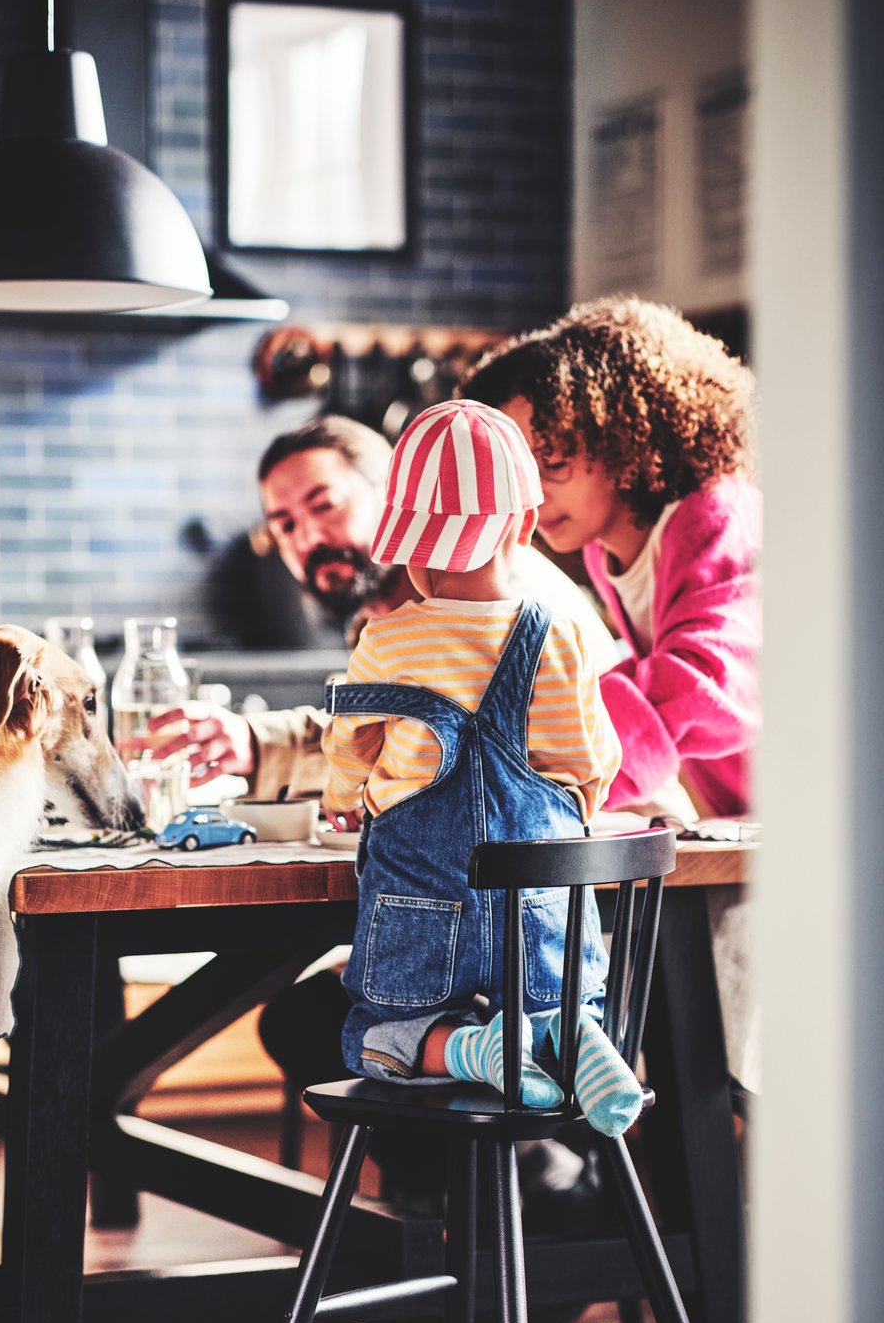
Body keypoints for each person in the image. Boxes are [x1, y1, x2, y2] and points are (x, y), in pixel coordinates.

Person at [322, 400, 640, 1137]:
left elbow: (350, 744)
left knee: (372, 1034)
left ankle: (472, 1048)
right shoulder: (558, 633)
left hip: (420, 909)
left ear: (409, 547)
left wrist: (345, 797)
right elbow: (591, 759)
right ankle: (569, 1036)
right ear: (524, 529)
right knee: (556, 995)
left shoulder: (386, 639)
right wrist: (575, 803)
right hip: (542, 908)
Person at [129, 414, 621, 801]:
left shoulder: (501, 598)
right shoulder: (387, 624)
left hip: (612, 886)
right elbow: (398, 739)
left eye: (324, 505)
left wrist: (345, 795)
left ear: (395, 499)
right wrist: (255, 742)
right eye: (285, 524)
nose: (310, 538)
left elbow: (477, 760)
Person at [460, 297, 760, 815]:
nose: (532, 495)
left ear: (623, 437)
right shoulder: (609, 553)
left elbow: (702, 683)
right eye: (517, 473)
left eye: (551, 462)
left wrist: (554, 785)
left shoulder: (719, 518)